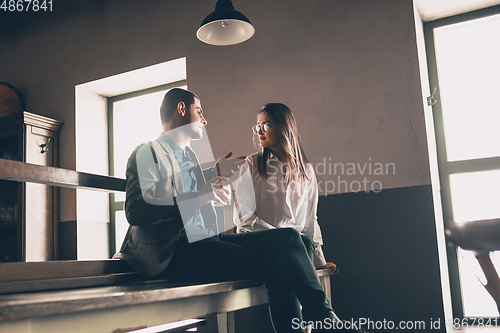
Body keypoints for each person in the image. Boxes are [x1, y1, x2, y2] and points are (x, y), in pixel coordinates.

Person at [113, 88, 353, 333]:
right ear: (181, 109)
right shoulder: (147, 151)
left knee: (291, 237)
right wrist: (203, 194)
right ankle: (324, 320)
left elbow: (190, 197)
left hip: (207, 241)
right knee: (278, 267)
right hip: (173, 252)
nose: (204, 119)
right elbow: (136, 210)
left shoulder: (191, 157)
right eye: (200, 111)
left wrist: (212, 177)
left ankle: (324, 316)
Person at [234, 103, 336, 270]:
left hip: (298, 247)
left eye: (266, 126)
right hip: (260, 247)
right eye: (258, 126)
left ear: (283, 128)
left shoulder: (306, 171)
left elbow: (310, 221)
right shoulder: (251, 165)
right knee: (295, 245)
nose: (259, 131)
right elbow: (244, 220)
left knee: (301, 244)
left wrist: (320, 262)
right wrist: (283, 236)